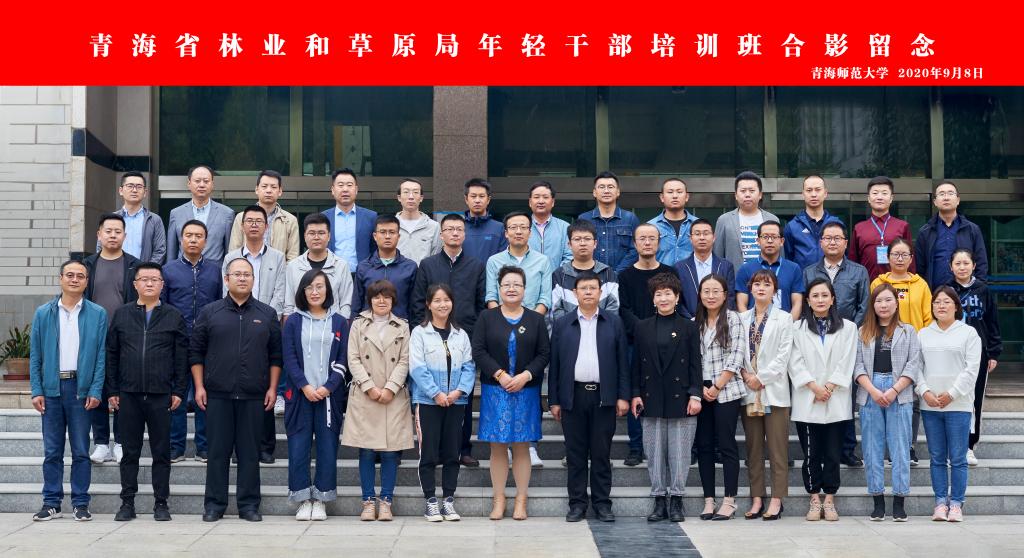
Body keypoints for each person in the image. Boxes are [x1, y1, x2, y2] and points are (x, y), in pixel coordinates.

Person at [190, 258, 283, 523]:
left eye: (247, 274)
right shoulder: (210, 312)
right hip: (217, 395)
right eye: (237, 274)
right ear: (226, 279)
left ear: (253, 279)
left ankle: (249, 505)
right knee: (217, 453)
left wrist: (272, 388)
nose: (242, 278)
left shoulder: (267, 314)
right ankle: (214, 505)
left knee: (250, 454)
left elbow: (276, 356)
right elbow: (196, 352)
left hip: (254, 396)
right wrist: (199, 386)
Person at [105, 262, 188, 522]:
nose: (149, 283)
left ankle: (161, 503)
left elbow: (181, 358)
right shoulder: (122, 314)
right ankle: (127, 503)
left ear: (162, 285)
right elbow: (112, 354)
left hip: (161, 395)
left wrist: (178, 390)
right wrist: (112, 389)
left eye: (155, 279)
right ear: (135, 284)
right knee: (129, 452)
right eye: (144, 279)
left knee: (161, 452)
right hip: (128, 394)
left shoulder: (173, 315)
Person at [548, 271, 630, 523]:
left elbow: (622, 363)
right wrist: (554, 400)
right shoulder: (563, 324)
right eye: (583, 288)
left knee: (601, 453)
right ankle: (577, 504)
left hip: (604, 397)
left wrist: (623, 396)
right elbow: (555, 364)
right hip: (573, 396)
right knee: (575, 454)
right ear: (575, 293)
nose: (588, 292)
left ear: (600, 292)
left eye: (593, 288)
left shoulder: (613, 322)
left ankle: (602, 504)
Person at [29, 260, 106, 522]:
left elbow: (100, 356)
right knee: (52, 451)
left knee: (81, 450)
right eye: (70, 275)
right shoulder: (44, 313)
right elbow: (36, 355)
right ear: (61, 278)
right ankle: (51, 502)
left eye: (80, 276)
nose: (74, 279)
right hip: (51, 388)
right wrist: (36, 390)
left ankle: (81, 503)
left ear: (87, 281)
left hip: (80, 389)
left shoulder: (97, 314)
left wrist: (95, 389)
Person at [472, 266, 551, 520]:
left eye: (517, 284)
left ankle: (521, 499)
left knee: (521, 445)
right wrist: (500, 374)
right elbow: (479, 350)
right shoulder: (487, 317)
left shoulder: (535, 319)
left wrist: (526, 375)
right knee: (497, 446)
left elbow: (544, 353)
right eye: (506, 284)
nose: (511, 288)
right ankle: (498, 499)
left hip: (526, 391)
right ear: (499, 288)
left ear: (525, 289)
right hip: (496, 391)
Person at [411, 213, 487, 468]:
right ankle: (434, 451)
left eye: (459, 229)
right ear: (441, 234)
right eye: (449, 229)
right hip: (431, 337)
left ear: (464, 234)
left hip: (463, 338)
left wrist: (475, 338)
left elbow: (480, 304)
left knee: (461, 398)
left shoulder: (476, 265)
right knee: (433, 394)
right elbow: (418, 302)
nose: (455, 233)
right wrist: (423, 332)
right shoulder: (428, 265)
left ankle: (462, 449)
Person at [630, 272, 701, 522]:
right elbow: (636, 364)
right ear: (653, 299)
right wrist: (635, 394)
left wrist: (695, 394)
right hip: (651, 396)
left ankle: (677, 500)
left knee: (680, 453)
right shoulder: (642, 327)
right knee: (654, 452)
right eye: (658, 294)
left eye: (668, 293)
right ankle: (659, 500)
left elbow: (695, 364)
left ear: (677, 297)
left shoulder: (689, 327)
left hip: (681, 397)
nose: (663, 298)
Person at [343, 280, 414, 522]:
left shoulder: (403, 326)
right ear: (369, 300)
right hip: (366, 395)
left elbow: (405, 360)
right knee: (365, 451)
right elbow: (353, 358)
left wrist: (390, 388)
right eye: (376, 297)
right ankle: (367, 502)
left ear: (393, 300)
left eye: (386, 296)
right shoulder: (358, 324)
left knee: (391, 453)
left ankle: (386, 501)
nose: (381, 301)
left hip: (393, 396)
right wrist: (369, 386)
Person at [282, 270, 349, 522]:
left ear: (328, 290)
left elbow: (343, 358)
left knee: (327, 448)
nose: (314, 291)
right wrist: (305, 386)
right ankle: (302, 500)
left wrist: (328, 387)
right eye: (309, 287)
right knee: (298, 448)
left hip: (329, 397)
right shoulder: (293, 321)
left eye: (319, 286)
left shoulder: (339, 322)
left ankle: (321, 499)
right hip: (300, 395)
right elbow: (289, 357)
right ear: (302, 291)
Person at [802, 221, 870, 468]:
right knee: (819, 389)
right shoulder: (809, 271)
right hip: (816, 338)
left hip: (847, 339)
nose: (832, 242)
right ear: (820, 243)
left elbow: (864, 305)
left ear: (845, 243)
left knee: (844, 393)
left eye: (837, 238)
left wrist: (847, 331)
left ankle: (847, 449)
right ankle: (820, 449)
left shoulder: (859, 271)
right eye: (827, 238)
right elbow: (805, 305)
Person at [789, 278, 857, 522]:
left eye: (824, 295)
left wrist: (828, 387)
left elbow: (847, 360)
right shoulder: (796, 328)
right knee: (811, 453)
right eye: (815, 296)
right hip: (807, 397)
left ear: (832, 299)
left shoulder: (848, 328)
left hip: (835, 397)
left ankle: (829, 499)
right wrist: (814, 387)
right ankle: (814, 497)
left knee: (832, 453)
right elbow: (794, 361)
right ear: (807, 300)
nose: (820, 300)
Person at [223, 205, 288, 455]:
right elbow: (226, 290)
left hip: (266, 324)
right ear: (242, 226)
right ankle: (238, 447)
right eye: (249, 221)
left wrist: (266, 318)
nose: (253, 225)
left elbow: (280, 292)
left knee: (264, 384)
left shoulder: (277, 257)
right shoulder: (231, 258)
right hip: (236, 322)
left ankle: (265, 446)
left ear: (266, 226)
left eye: (258, 221)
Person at [854, 283, 921, 522]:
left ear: (896, 302)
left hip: (899, 391)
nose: (883, 305)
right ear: (873, 305)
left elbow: (913, 365)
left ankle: (900, 501)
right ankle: (878, 501)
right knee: (871, 448)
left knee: (900, 447)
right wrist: (873, 390)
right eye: (879, 301)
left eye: (888, 300)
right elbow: (857, 366)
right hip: (870, 390)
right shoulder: (863, 331)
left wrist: (894, 389)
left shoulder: (908, 331)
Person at [409, 283, 475, 522]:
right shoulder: (419, 333)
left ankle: (448, 500)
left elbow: (469, 366)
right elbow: (417, 368)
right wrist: (435, 393)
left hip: (455, 402)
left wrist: (458, 392)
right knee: (428, 452)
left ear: (452, 303)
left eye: (446, 300)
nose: (442, 304)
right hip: (428, 402)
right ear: (428, 304)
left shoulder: (461, 334)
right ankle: (430, 501)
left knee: (451, 452)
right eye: (436, 300)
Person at [918, 286, 982, 522]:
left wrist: (952, 394)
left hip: (959, 405)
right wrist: (924, 391)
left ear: (956, 306)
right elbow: (916, 367)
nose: (941, 306)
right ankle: (939, 502)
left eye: (946, 302)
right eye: (937, 302)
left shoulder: (968, 333)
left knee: (957, 458)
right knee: (936, 457)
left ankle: (956, 504)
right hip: (930, 405)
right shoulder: (923, 334)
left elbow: (971, 370)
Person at [614, 223, 675, 467]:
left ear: (659, 242)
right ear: (635, 243)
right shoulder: (625, 276)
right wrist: (645, 330)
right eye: (642, 238)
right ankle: (636, 447)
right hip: (635, 343)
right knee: (636, 392)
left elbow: (674, 303)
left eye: (652, 238)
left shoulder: (670, 273)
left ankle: (667, 447)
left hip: (668, 342)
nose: (647, 242)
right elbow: (623, 309)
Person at [162, 220, 221, 463]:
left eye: (198, 236)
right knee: (176, 393)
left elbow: (221, 303)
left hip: (208, 341)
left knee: (204, 393)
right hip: (177, 340)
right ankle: (175, 446)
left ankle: (203, 446)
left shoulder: (216, 270)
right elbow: (163, 307)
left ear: (206, 241)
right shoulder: (168, 270)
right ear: (181, 239)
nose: (193, 240)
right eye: (189, 235)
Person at [738, 270, 794, 521]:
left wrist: (760, 378)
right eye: (757, 284)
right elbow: (736, 352)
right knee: (753, 450)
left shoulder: (784, 318)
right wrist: (745, 375)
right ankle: (757, 497)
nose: (761, 288)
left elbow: (784, 356)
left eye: (767, 284)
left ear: (775, 290)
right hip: (748, 391)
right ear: (750, 288)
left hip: (774, 391)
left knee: (778, 450)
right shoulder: (740, 318)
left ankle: (777, 499)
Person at [84, 213, 140, 465]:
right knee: (97, 386)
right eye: (108, 231)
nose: (113, 235)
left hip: (125, 336)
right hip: (94, 336)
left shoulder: (135, 266)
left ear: (125, 236)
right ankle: (100, 442)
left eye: (118, 231)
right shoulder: (87, 265)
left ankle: (120, 442)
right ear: (99, 235)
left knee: (122, 390)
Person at [871, 237, 932, 465]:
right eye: (895, 254)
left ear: (911, 258)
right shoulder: (878, 283)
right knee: (884, 396)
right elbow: (872, 313)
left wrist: (921, 345)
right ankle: (888, 449)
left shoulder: (921, 285)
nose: (899, 258)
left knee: (910, 400)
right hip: (883, 347)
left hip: (912, 348)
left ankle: (908, 447)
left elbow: (928, 318)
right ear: (887, 258)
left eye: (904, 254)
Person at [694, 274, 747, 521]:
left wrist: (716, 387)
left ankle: (729, 500)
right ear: (700, 295)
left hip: (726, 390)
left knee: (726, 444)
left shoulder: (734, 319)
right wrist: (701, 388)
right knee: (704, 445)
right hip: (701, 391)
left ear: (725, 295)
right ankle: (708, 500)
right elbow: (691, 359)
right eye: (706, 291)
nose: (711, 296)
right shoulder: (695, 322)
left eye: (716, 291)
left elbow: (736, 356)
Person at [948, 248, 1001, 466]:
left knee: (974, 400)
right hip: (950, 353)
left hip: (978, 354)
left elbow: (992, 322)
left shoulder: (983, 290)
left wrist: (994, 352)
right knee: (951, 398)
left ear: (974, 266)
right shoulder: (946, 290)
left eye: (966, 263)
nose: (962, 267)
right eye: (957, 263)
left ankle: (969, 446)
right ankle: (953, 447)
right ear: (951, 267)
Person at [916, 181, 989, 288]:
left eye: (950, 193)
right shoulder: (925, 232)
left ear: (958, 200)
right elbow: (919, 267)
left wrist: (978, 289)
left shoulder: (972, 229)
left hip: (966, 292)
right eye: (942, 194)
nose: (946, 198)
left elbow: (981, 263)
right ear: (935, 202)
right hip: (934, 292)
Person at [283, 213, 353, 319]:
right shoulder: (293, 266)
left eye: (321, 233)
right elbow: (289, 304)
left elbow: (346, 303)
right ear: (305, 236)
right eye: (312, 233)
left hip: (332, 324)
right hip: (301, 324)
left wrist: (341, 324)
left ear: (329, 236)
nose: (316, 237)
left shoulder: (341, 265)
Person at [550, 219, 619, 322]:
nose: (582, 243)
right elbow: (556, 310)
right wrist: (577, 327)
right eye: (577, 239)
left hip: (602, 329)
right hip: (569, 330)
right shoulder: (559, 275)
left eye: (587, 239)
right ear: (569, 244)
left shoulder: (608, 273)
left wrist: (596, 327)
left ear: (595, 243)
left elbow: (613, 307)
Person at [485, 211, 553, 315]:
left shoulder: (543, 261)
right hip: (501, 320)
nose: (518, 232)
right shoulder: (493, 261)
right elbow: (491, 297)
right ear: (506, 233)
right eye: (513, 227)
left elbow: (545, 298)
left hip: (534, 320)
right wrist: (501, 320)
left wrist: (532, 320)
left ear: (530, 233)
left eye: (523, 227)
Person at [352, 215, 418, 320]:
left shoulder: (410, 267)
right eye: (382, 232)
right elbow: (357, 304)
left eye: (392, 232)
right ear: (375, 236)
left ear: (398, 236)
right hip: (369, 327)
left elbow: (415, 305)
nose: (387, 236)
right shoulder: (363, 267)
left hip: (400, 326)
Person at [849, 176, 914, 281]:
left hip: (897, 285)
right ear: (869, 198)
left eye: (884, 193)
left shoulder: (902, 226)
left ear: (891, 198)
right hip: (866, 285)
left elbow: (910, 260)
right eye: (875, 193)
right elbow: (853, 261)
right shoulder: (859, 228)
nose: (879, 197)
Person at [735, 220, 804, 320]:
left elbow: (797, 303)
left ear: (782, 241)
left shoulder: (794, 269)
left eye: (774, 237)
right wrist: (750, 325)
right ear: (758, 241)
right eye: (765, 237)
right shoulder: (745, 269)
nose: (770, 241)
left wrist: (788, 325)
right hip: (754, 326)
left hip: (785, 326)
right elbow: (741, 304)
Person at [166, 165, 234, 263]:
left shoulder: (226, 213)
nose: (202, 185)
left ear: (212, 184)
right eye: (197, 181)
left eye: (206, 181)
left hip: (214, 271)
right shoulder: (176, 213)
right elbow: (171, 252)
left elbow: (229, 251)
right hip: (183, 270)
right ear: (189, 184)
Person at [228, 170, 300, 262]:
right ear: (256, 189)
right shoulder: (241, 217)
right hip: (246, 270)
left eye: (273, 187)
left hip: (278, 270)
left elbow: (293, 258)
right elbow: (234, 251)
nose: (268, 190)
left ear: (280, 191)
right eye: (264, 186)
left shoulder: (290, 220)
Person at [713, 171, 780, 271]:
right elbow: (717, 255)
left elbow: (779, 254)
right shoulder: (724, 220)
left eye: (752, 191)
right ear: (736, 195)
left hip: (767, 277)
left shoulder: (772, 219)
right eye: (743, 191)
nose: (747, 195)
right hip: (735, 277)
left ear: (760, 194)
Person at [578, 170, 641, 273]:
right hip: (591, 277)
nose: (606, 191)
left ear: (618, 192)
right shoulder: (584, 219)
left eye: (610, 187)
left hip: (623, 277)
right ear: (594, 192)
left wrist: (616, 274)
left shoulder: (630, 218)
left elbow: (636, 249)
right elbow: (579, 249)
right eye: (601, 187)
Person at [675, 218, 736, 319]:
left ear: (713, 238)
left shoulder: (726, 266)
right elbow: (678, 300)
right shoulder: (679, 267)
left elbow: (730, 297)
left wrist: (719, 319)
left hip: (720, 322)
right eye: (697, 234)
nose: (702, 237)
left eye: (706, 233)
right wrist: (690, 320)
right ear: (690, 238)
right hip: (689, 322)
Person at [321, 167, 378, 273]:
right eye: (340, 185)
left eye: (349, 185)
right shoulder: (323, 218)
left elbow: (376, 249)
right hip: (332, 274)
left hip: (362, 275)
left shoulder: (371, 217)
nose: (345, 189)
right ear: (333, 190)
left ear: (356, 190)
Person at [100, 171, 165, 263]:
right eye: (130, 186)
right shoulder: (110, 219)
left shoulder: (154, 220)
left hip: (143, 271)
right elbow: (101, 246)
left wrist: (147, 270)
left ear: (145, 192)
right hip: (115, 269)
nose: (134, 190)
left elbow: (159, 251)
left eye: (139, 187)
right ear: (121, 191)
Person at [784, 175, 844, 271]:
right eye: (809, 190)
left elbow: (844, 256)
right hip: (803, 279)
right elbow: (788, 259)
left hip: (832, 279)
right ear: (803, 194)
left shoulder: (837, 224)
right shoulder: (792, 226)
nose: (813, 194)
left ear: (825, 193)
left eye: (818, 190)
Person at [649, 177, 699, 266]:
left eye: (679, 192)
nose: (675, 196)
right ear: (662, 197)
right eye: (670, 192)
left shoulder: (698, 225)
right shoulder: (651, 226)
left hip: (692, 275)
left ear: (687, 197)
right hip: (660, 275)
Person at [395, 178, 441, 265]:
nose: (411, 197)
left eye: (415, 192)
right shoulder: (391, 226)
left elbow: (436, 258)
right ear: (399, 198)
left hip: (424, 273)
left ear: (421, 198)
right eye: (406, 192)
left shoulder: (433, 226)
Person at [528, 180, 572, 269]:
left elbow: (570, 256)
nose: (541, 201)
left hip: (557, 277)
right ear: (530, 202)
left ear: (552, 202)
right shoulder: (521, 227)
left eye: (545, 197)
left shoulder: (564, 227)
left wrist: (557, 275)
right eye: (536, 197)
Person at [462, 177, 507, 263]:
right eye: (473, 196)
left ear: (488, 200)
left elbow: (503, 260)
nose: (477, 200)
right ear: (466, 199)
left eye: (481, 196)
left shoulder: (500, 228)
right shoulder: (458, 228)